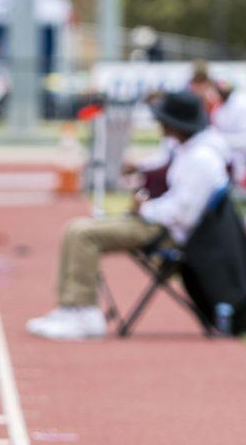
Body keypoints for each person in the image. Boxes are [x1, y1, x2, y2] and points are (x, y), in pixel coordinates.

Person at [25, 90, 229, 341]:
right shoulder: (187, 150)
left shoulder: (201, 160)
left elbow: (183, 214)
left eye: (161, 120)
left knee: (84, 234)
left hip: (167, 233)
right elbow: (168, 175)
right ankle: (70, 307)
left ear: (176, 124)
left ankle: (86, 313)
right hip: (157, 221)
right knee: (74, 227)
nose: (158, 124)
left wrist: (144, 207)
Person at [211, 79, 246, 186]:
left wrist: (222, 140)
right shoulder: (222, 105)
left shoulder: (243, 102)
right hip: (232, 145)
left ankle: (241, 186)